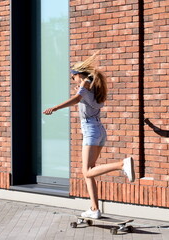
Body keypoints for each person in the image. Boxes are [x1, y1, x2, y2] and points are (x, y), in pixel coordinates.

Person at [43, 51, 135, 219]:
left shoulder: (84, 88)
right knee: (90, 171)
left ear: (78, 75)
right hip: (99, 131)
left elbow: (77, 99)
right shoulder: (95, 89)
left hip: (91, 131)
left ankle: (121, 164)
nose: (73, 81)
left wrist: (55, 108)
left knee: (86, 172)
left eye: (73, 78)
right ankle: (94, 209)